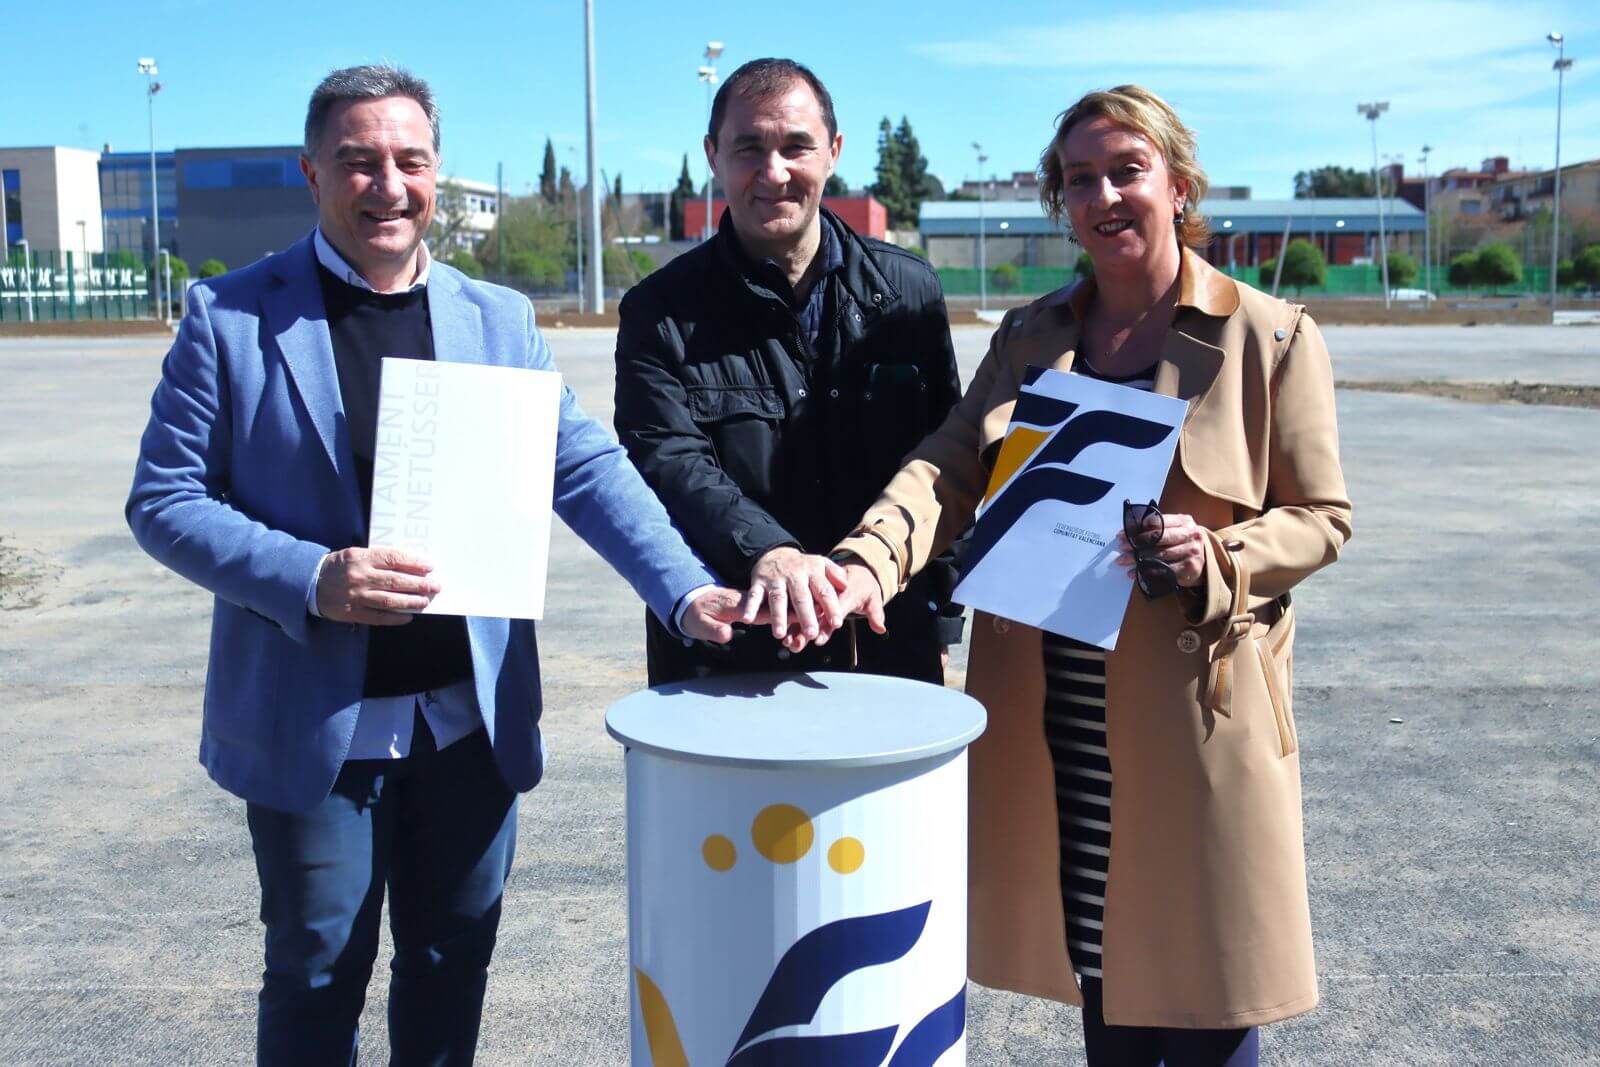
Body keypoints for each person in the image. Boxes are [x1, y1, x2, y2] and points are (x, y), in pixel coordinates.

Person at [125, 64, 752, 1064]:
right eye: (358, 161)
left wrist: (683, 588)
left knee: (453, 960)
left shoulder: (495, 318)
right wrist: (311, 574)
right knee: (317, 970)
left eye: (408, 161)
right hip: (315, 724)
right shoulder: (231, 317)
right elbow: (163, 499)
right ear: (312, 173)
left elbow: (583, 465)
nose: (387, 185)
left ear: (435, 174)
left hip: (467, 724)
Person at [826, 85, 1353, 1065]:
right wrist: (868, 558)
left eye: (1126, 170)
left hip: (1191, 721)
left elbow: (1323, 518)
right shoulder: (1029, 335)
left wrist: (1219, 554)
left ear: (1179, 186)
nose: (1103, 194)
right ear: (1057, 202)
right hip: (1054, 714)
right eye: (1078, 179)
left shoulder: (1268, 336)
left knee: (1202, 994)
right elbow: (947, 464)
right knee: (1104, 986)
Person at [612, 57, 964, 686]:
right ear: (713, 157)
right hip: (730, 656)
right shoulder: (659, 312)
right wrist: (769, 554)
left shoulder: (909, 293)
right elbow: (668, 461)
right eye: (749, 148)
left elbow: (945, 466)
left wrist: (940, 623)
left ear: (833, 152)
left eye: (796, 147)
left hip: (885, 643)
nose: (773, 173)